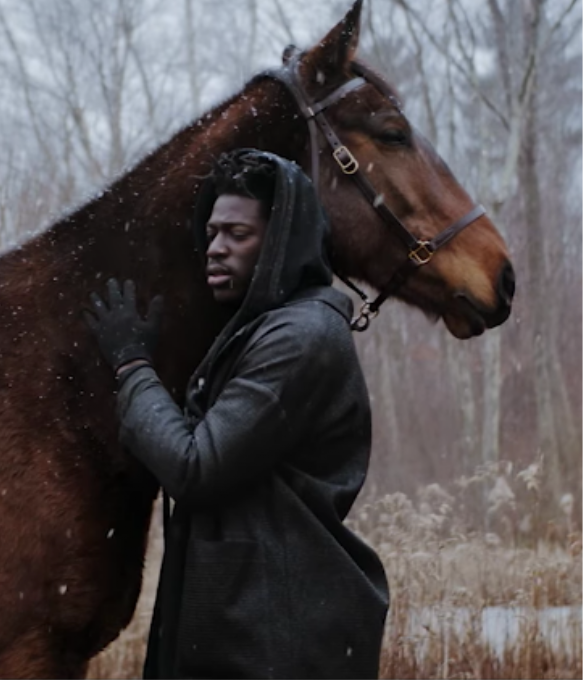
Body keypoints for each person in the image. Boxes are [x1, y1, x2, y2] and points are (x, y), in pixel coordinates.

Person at [85, 149, 389, 679]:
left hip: (279, 638)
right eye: (212, 233)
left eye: (237, 234)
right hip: (255, 625)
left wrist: (133, 365)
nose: (215, 249)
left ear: (280, 244)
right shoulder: (267, 330)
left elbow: (195, 468)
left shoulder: (302, 339)